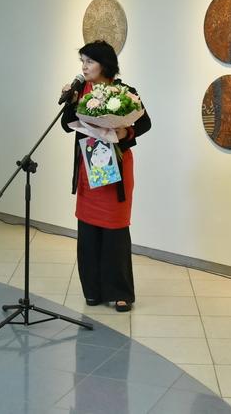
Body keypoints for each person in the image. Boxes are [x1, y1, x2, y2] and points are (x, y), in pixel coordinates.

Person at [61, 40, 151, 312]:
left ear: (105, 64)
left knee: (115, 230)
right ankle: (93, 290)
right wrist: (70, 100)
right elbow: (67, 125)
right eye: (82, 61)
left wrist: (125, 133)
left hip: (116, 170)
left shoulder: (124, 92)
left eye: (89, 61)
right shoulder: (80, 92)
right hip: (89, 168)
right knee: (88, 231)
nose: (84, 66)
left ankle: (120, 292)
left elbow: (145, 123)